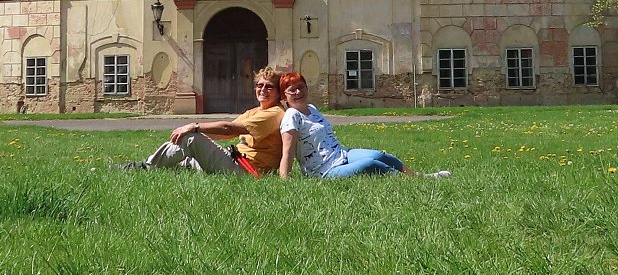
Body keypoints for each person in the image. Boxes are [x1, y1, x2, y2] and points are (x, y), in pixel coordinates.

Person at [277, 72, 449, 178]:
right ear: (284, 96)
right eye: (292, 90)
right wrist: (285, 180)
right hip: (324, 171)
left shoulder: (312, 108)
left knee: (379, 155)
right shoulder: (291, 116)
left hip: (341, 154)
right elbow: (288, 151)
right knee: (370, 164)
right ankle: (409, 183)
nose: (298, 92)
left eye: (301, 87)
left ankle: (418, 176)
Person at [123, 66, 284, 175]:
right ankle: (138, 167)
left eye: (269, 87)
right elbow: (226, 134)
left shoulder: (274, 113)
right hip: (236, 159)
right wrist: (204, 138)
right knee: (183, 159)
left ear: (279, 92)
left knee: (191, 138)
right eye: (259, 85)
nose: (262, 90)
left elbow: (230, 129)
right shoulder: (255, 111)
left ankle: (145, 167)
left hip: (246, 170)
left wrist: (195, 127)